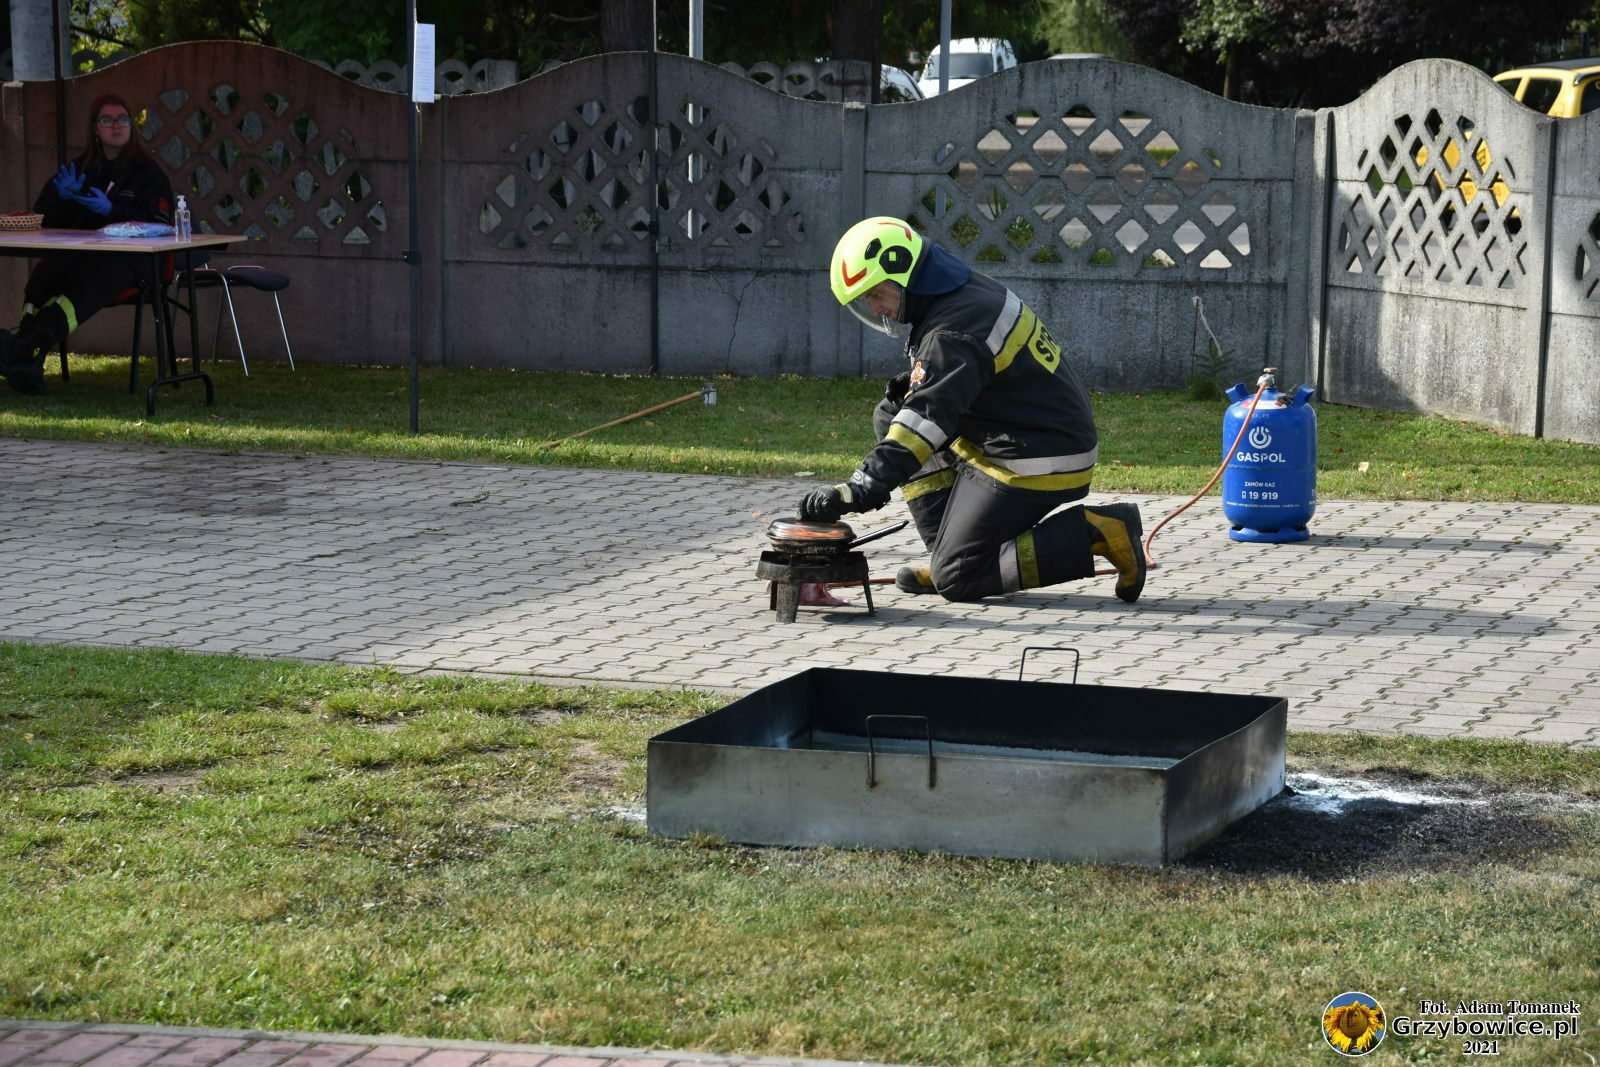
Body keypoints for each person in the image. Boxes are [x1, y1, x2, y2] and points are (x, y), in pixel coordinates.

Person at [795, 216, 1147, 604]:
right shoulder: (958, 291)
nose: (877, 308)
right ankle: (950, 553)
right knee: (891, 412)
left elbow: (923, 423)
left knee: (958, 579)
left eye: (877, 294)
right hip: (1026, 433)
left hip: (1039, 456)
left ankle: (1098, 531)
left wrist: (861, 489)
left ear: (905, 274)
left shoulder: (953, 329)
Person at [0, 93, 175, 394]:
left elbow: (159, 224)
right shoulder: (80, 168)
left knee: (90, 281)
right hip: (81, 254)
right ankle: (27, 355)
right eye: (107, 120)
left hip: (133, 263)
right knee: (44, 276)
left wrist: (113, 210)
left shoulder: (148, 173)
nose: (116, 125)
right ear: (95, 128)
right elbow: (43, 218)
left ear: (131, 126)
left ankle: (24, 348)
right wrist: (62, 198)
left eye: (123, 119)